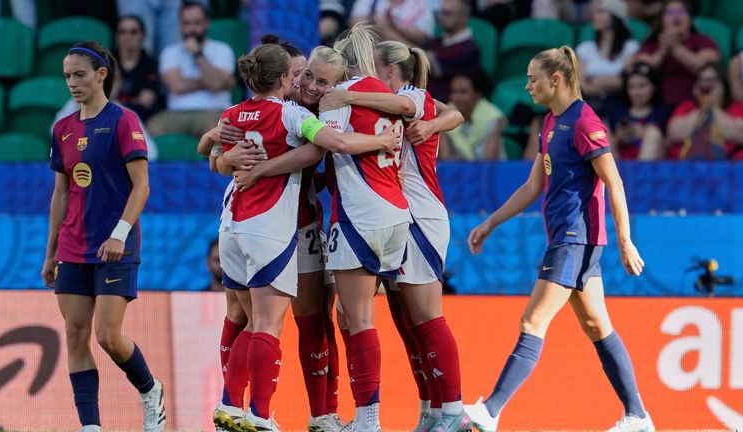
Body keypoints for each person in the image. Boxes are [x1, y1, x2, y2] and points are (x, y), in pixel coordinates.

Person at [463, 46, 655, 432]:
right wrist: (492, 222)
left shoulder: (585, 122)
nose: (527, 85)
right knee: (598, 327)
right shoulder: (551, 122)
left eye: (533, 78)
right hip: (570, 238)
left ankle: (491, 411)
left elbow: (614, 182)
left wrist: (625, 240)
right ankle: (638, 416)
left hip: (574, 237)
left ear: (557, 79)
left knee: (533, 320)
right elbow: (534, 185)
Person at [209, 42, 398, 432]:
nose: (308, 84)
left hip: (296, 223)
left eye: (317, 79)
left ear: (336, 82)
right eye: (302, 75)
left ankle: (318, 413)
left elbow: (318, 157)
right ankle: (249, 411)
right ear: (287, 77)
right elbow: (215, 157)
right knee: (249, 317)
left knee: (311, 319)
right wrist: (224, 155)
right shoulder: (289, 113)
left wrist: (242, 161)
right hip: (267, 222)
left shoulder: (330, 109)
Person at [318, 39, 468, 432]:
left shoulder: (408, 94)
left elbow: (439, 112)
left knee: (426, 316)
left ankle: (453, 409)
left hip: (421, 215)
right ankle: (431, 409)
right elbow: (448, 114)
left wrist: (346, 94)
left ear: (387, 70)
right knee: (405, 319)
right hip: (401, 214)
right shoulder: (376, 98)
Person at [40, 40, 165, 432]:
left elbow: (141, 186)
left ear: (101, 74)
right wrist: (50, 254)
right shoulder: (62, 129)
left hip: (115, 247)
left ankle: (151, 390)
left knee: (108, 336)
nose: (72, 83)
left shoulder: (124, 120)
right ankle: (90, 426)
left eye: (79, 75)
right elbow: (61, 194)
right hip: (73, 247)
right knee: (76, 336)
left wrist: (120, 234)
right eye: (66, 77)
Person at [147, 1, 236, 139]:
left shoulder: (222, 49)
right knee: (151, 127)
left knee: (215, 131)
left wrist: (198, 54)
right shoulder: (170, 52)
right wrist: (212, 82)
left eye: (196, 23)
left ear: (207, 23)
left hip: (213, 112)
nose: (191, 29)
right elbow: (177, 86)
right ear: (180, 25)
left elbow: (215, 84)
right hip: (176, 114)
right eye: (186, 23)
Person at [628, 0, 719, 108]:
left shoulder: (703, 41)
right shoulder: (651, 45)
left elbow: (707, 68)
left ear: (690, 18)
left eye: (681, 12)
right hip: (657, 107)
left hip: (696, 105)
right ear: (662, 20)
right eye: (670, 13)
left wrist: (676, 48)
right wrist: (663, 50)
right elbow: (642, 70)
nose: (676, 17)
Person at [576, 0, 639, 120]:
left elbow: (624, 81)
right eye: (595, 12)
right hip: (590, 102)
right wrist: (609, 82)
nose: (595, 16)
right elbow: (580, 84)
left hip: (619, 102)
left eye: (601, 12)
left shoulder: (630, 47)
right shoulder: (585, 48)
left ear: (615, 16)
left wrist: (593, 80)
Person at [666, 62, 743, 160]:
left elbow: (739, 134)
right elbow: (675, 133)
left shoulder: (736, 108)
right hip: (686, 167)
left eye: (711, 81)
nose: (705, 85)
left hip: (727, 168)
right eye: (701, 80)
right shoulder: (687, 107)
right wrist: (705, 105)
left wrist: (712, 107)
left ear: (724, 85)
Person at [440, 71, 506, 160]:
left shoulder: (492, 117)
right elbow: (446, 160)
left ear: (477, 93)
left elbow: (489, 162)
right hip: (456, 173)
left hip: (488, 172)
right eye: (453, 91)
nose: (456, 97)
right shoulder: (445, 116)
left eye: (463, 92)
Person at [424, 0, 481, 102]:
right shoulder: (435, 42)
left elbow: (424, 60)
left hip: (446, 109)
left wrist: (389, 30)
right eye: (440, 12)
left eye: (447, 13)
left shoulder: (469, 49)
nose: (441, 17)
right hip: (423, 102)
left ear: (464, 17)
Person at [609, 62, 668, 160]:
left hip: (651, 166)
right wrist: (618, 138)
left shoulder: (663, 113)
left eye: (642, 86)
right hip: (620, 163)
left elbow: (669, 145)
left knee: (653, 133)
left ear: (653, 87)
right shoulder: (617, 113)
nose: (636, 92)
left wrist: (644, 133)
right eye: (632, 87)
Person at [114, 15, 160, 121]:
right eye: (122, 32)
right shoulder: (107, 60)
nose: (127, 36)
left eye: (133, 32)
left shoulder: (149, 63)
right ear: (117, 36)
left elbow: (145, 102)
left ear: (142, 35)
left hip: (138, 119)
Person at [349, 0, 434, 47]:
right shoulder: (369, 2)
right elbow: (355, 27)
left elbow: (423, 38)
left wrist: (390, 27)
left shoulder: (420, 4)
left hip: (404, 63)